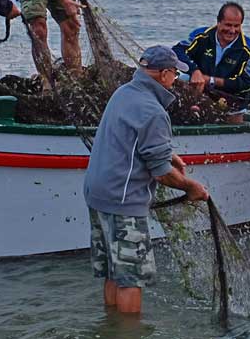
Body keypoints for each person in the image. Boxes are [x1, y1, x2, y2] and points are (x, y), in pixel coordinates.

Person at [83, 46, 210, 315]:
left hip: (97, 195)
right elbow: (161, 173)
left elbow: (129, 135)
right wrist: (192, 187)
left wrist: (167, 152)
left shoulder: (123, 93)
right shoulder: (153, 111)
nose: (177, 78)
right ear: (163, 74)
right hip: (123, 200)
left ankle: (111, 331)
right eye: (175, 73)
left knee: (113, 272)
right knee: (131, 279)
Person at [174, 2, 250, 99]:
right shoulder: (200, 36)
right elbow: (176, 52)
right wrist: (194, 71)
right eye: (228, 25)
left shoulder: (249, 48)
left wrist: (211, 80)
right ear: (218, 22)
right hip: (199, 95)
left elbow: (248, 82)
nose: (232, 30)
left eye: (236, 26)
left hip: (233, 101)